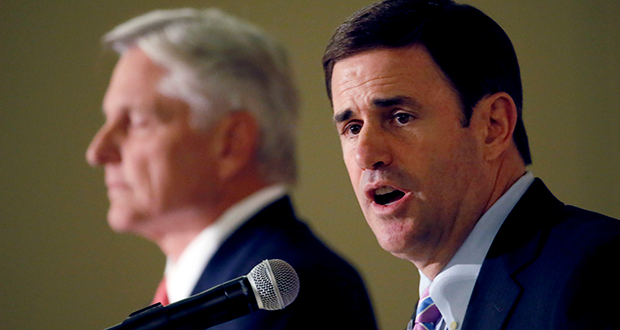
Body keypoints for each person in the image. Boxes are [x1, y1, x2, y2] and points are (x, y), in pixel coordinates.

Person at [322, 0, 620, 329]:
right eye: (352, 128)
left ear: (493, 126)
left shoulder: (598, 273)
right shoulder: (434, 311)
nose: (365, 155)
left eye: (400, 117)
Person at [86, 8, 377, 330]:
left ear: (231, 142)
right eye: (108, 120)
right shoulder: (217, 291)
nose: (98, 152)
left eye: (138, 122)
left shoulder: (293, 296)